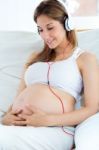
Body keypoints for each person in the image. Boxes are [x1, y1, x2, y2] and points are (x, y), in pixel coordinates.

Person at [0, 0, 99, 149]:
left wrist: (47, 120)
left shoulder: (85, 59)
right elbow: (18, 98)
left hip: (54, 129)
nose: (45, 36)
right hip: (18, 126)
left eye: (50, 28)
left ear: (67, 24)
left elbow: (92, 108)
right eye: (40, 29)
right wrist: (6, 118)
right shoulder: (33, 58)